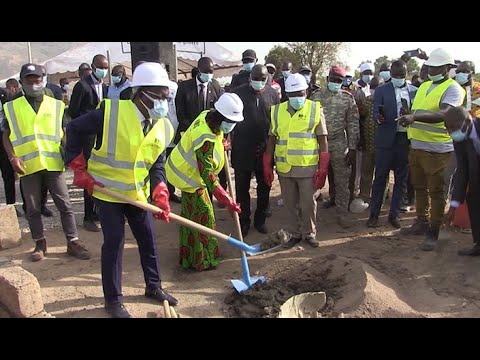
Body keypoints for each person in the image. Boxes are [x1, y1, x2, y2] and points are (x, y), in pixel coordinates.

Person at [65, 62, 178, 318]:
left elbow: (156, 162)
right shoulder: (109, 111)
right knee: (114, 243)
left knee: (148, 239)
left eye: (167, 97)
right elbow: (73, 128)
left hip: (137, 195)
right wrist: (77, 166)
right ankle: (113, 300)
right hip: (108, 193)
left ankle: (154, 286)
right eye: (161, 96)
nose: (165, 102)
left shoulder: (163, 125)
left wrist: (160, 188)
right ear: (143, 93)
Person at [2, 63, 89, 262]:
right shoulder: (12, 106)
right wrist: (12, 157)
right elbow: (6, 135)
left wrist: (69, 154)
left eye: (37, 79)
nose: (34, 83)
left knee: (64, 204)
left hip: (53, 163)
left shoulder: (55, 104)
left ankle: (72, 242)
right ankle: (40, 243)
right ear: (22, 82)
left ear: (44, 79)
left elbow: (65, 131)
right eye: (29, 80)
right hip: (28, 164)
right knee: (32, 208)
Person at [397, 48, 466, 251]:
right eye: (430, 66)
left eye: (435, 67)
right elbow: (420, 111)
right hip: (417, 146)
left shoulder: (453, 89)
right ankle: (421, 222)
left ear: (446, 68)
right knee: (419, 187)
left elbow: (445, 114)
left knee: (436, 192)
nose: (431, 70)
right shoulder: (425, 85)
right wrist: (408, 113)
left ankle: (435, 231)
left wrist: (414, 118)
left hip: (438, 150)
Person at [166, 93, 243, 271]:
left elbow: (216, 135)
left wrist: (221, 140)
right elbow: (208, 175)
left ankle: (189, 257)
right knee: (205, 217)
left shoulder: (207, 116)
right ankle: (204, 261)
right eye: (230, 122)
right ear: (220, 117)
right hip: (189, 177)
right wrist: (227, 200)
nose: (231, 126)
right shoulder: (204, 139)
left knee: (191, 217)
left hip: (186, 172)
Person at [264, 74, 329, 248]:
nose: (296, 98)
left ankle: (309, 233)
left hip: (307, 166)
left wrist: (323, 169)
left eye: (300, 94)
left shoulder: (315, 109)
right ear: (287, 94)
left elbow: (323, 140)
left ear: (306, 92)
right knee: (290, 204)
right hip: (285, 167)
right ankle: (294, 233)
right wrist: (267, 165)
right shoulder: (277, 111)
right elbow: (271, 139)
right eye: (293, 95)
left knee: (308, 203)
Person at [367, 60, 417, 229]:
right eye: (395, 76)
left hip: (404, 140)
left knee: (401, 180)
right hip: (385, 140)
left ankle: (394, 215)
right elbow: (375, 111)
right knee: (380, 178)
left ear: (406, 74)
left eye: (401, 76)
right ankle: (374, 215)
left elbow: (417, 114)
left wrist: (409, 115)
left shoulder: (414, 92)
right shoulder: (382, 90)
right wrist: (378, 117)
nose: (398, 78)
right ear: (391, 74)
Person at [231, 64, 280, 237]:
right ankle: (244, 221)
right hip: (242, 148)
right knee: (242, 188)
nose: (259, 82)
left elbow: (276, 122)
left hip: (264, 149)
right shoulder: (237, 93)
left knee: (264, 186)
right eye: (255, 78)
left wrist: (269, 145)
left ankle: (260, 220)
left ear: (267, 78)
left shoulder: (272, 94)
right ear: (249, 77)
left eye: (262, 79)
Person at [310, 66, 359, 228]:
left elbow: (352, 124)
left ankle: (342, 213)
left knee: (342, 179)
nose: (336, 83)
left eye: (339, 81)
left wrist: (352, 148)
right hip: (317, 143)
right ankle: (308, 215)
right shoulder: (315, 97)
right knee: (312, 179)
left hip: (339, 142)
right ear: (327, 78)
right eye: (334, 80)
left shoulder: (347, 98)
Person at [69, 54, 109, 232]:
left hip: (101, 137)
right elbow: (73, 111)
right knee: (89, 175)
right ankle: (87, 217)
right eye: (101, 67)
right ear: (93, 67)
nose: (104, 71)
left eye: (106, 67)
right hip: (87, 138)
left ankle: (97, 212)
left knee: (100, 174)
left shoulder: (106, 87)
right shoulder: (82, 86)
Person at [443, 107, 480, 255]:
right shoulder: (459, 140)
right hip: (476, 179)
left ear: (467, 122)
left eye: (454, 128)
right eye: (448, 128)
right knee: (473, 202)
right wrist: (454, 205)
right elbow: (462, 170)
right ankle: (478, 245)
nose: (452, 132)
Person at [357, 75, 384, 207]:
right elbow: (360, 121)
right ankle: (365, 197)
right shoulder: (366, 102)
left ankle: (379, 198)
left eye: (376, 88)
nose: (374, 91)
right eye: (372, 88)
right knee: (366, 173)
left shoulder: (387, 103)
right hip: (368, 144)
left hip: (382, 147)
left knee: (380, 174)